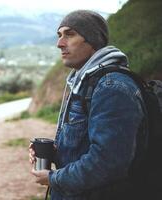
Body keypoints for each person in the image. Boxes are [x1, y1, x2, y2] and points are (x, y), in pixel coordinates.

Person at [29, 10, 146, 200]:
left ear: (92, 40)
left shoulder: (111, 86)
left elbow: (108, 162)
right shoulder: (85, 82)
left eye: (70, 34)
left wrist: (54, 178)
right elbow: (83, 146)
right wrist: (52, 153)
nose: (60, 44)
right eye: (59, 35)